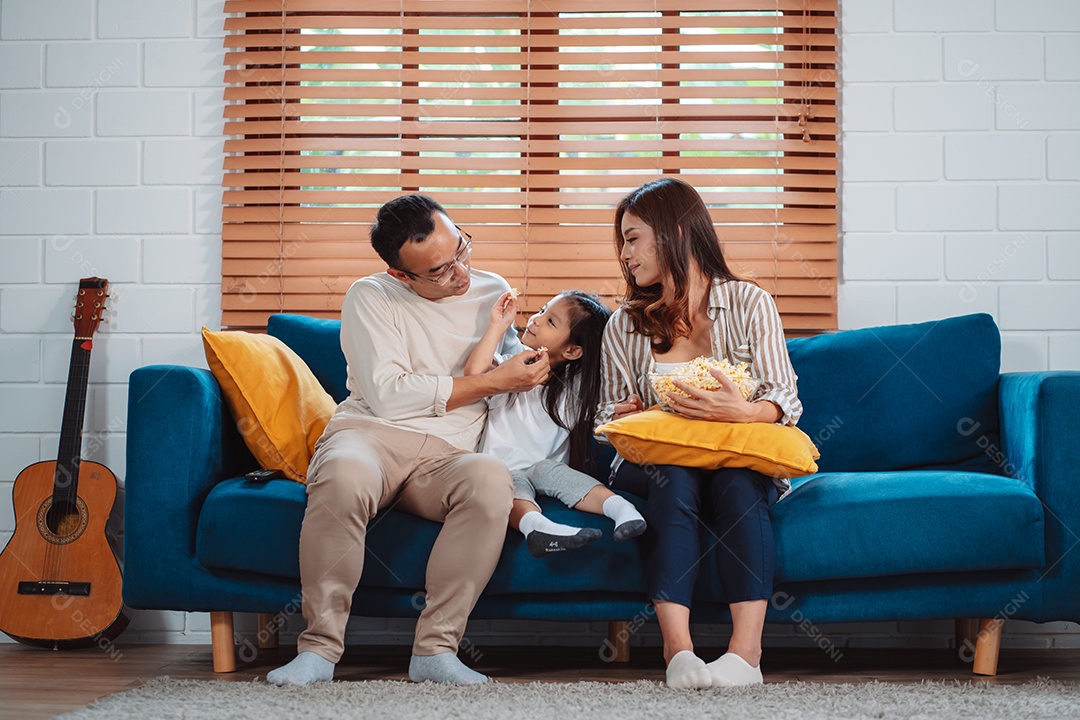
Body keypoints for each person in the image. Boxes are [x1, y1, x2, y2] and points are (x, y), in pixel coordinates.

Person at [268, 194, 551, 687]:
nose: (461, 273)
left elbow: (510, 372)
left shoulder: (492, 291)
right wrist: (493, 383)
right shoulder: (371, 296)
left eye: (462, 249)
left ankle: (435, 652)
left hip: (449, 453)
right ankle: (318, 651)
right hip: (370, 436)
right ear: (403, 275)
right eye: (440, 271)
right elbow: (392, 397)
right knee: (342, 475)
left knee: (491, 479)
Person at [595, 178, 803, 690]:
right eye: (622, 241)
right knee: (674, 479)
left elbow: (786, 399)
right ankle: (678, 650)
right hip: (659, 463)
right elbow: (604, 418)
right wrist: (621, 412)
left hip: (737, 454)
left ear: (675, 232)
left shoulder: (751, 303)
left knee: (737, 484)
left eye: (633, 237)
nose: (625, 254)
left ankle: (745, 656)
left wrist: (744, 412)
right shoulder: (624, 324)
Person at [464, 290, 646, 557]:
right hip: (500, 469)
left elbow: (606, 408)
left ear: (573, 350)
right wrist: (497, 326)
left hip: (546, 468)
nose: (536, 320)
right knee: (511, 489)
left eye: (550, 321)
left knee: (561, 476)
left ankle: (623, 511)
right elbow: (474, 376)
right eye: (542, 311)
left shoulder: (579, 387)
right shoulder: (512, 369)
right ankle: (537, 528)